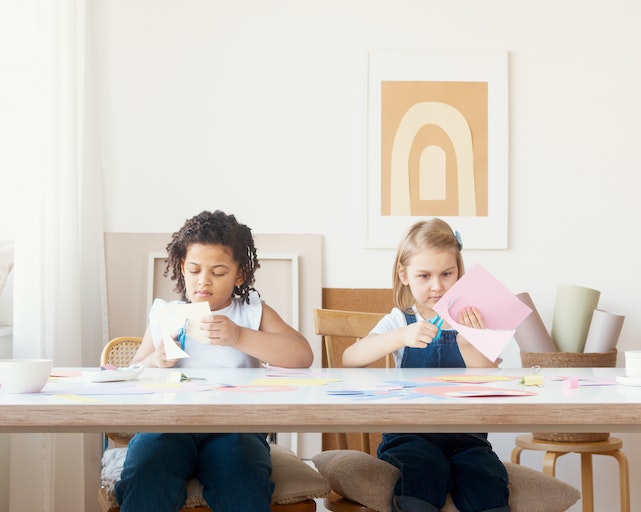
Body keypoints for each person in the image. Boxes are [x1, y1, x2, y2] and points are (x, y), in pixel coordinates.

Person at [115, 210, 314, 512]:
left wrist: (240, 337)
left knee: (243, 482)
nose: (203, 281)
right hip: (168, 424)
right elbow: (134, 373)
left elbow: (302, 355)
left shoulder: (251, 312)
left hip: (235, 426)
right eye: (194, 270)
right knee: (146, 475)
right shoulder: (166, 314)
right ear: (181, 267)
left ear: (240, 274)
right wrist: (157, 360)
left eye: (218, 273)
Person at [342, 218, 510, 512]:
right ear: (404, 275)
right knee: (423, 470)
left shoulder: (474, 320)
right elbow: (350, 358)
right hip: (409, 433)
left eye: (447, 273)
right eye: (424, 276)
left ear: (460, 271)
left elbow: (488, 377)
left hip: (467, 437)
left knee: (485, 476)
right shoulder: (401, 320)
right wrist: (399, 337)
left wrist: (470, 341)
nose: (438, 286)